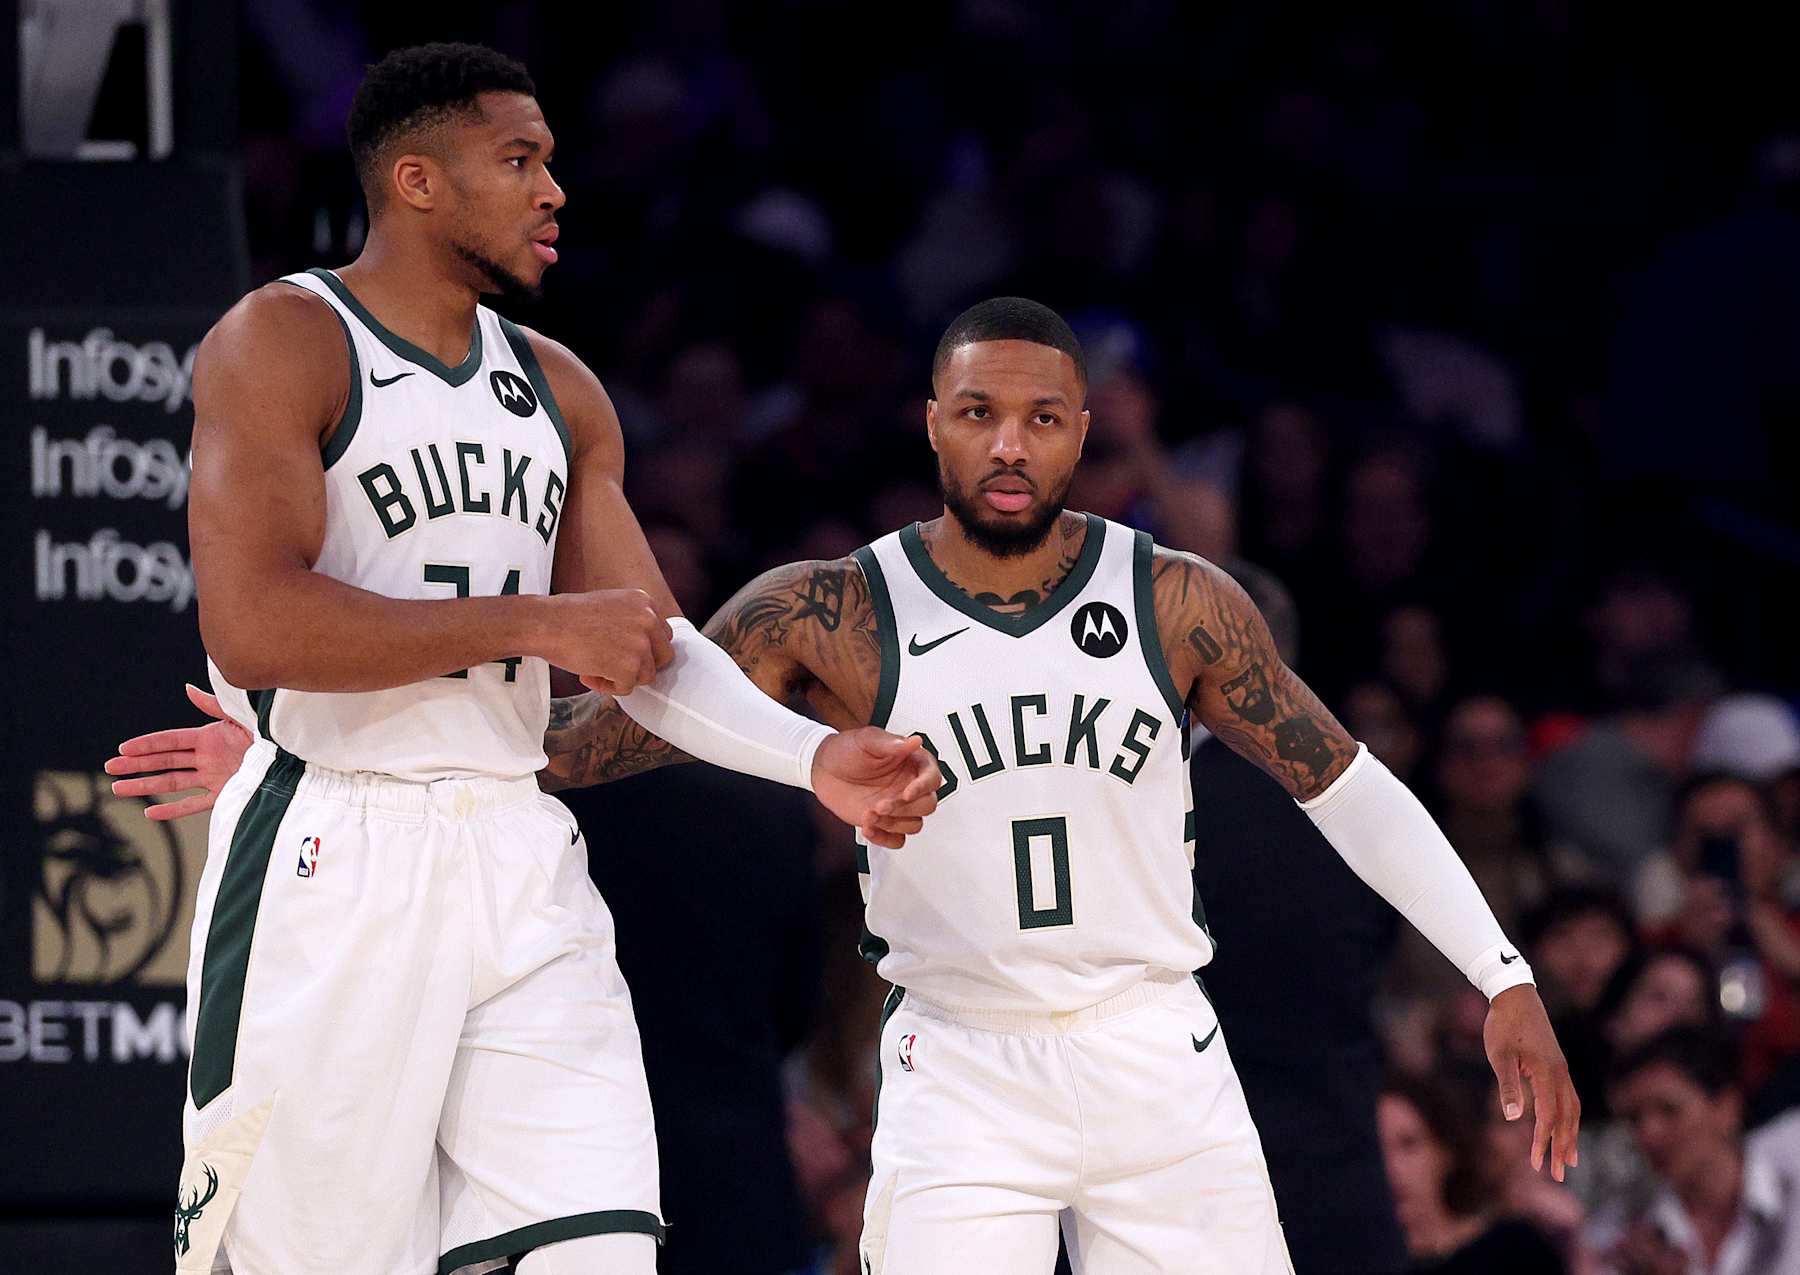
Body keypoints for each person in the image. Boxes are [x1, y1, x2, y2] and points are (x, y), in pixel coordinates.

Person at [117, 296, 1578, 1273]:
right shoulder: (827, 612)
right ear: (934, 424)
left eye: (1043, 417)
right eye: (979, 412)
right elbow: (588, 741)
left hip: (1155, 1048)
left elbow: (1353, 784)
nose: (1009, 442)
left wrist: (1502, 971)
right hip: (961, 1062)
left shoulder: (1181, 600)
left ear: (1081, 432)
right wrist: (309, 753)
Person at [111, 42, 936, 1275]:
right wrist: (532, 623)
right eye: (519, 160)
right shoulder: (284, 338)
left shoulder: (561, 390)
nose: (556, 190)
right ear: (417, 182)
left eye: (550, 161)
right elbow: (255, 625)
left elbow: (651, 652)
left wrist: (814, 761)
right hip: (337, 852)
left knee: (596, 1251)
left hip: (516, 848)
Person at [1591, 1027, 1800, 1275]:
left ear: (1727, 1108)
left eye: (1669, 1110)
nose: (1649, 1134)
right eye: (1634, 1119)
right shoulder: (1620, 1237)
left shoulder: (1792, 1176)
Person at [1378, 1073, 1570, 1273]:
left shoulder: (1513, 1247)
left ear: (1444, 1151)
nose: (1391, 1166)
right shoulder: (1364, 1263)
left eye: (1408, 1145)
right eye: (1378, 1151)